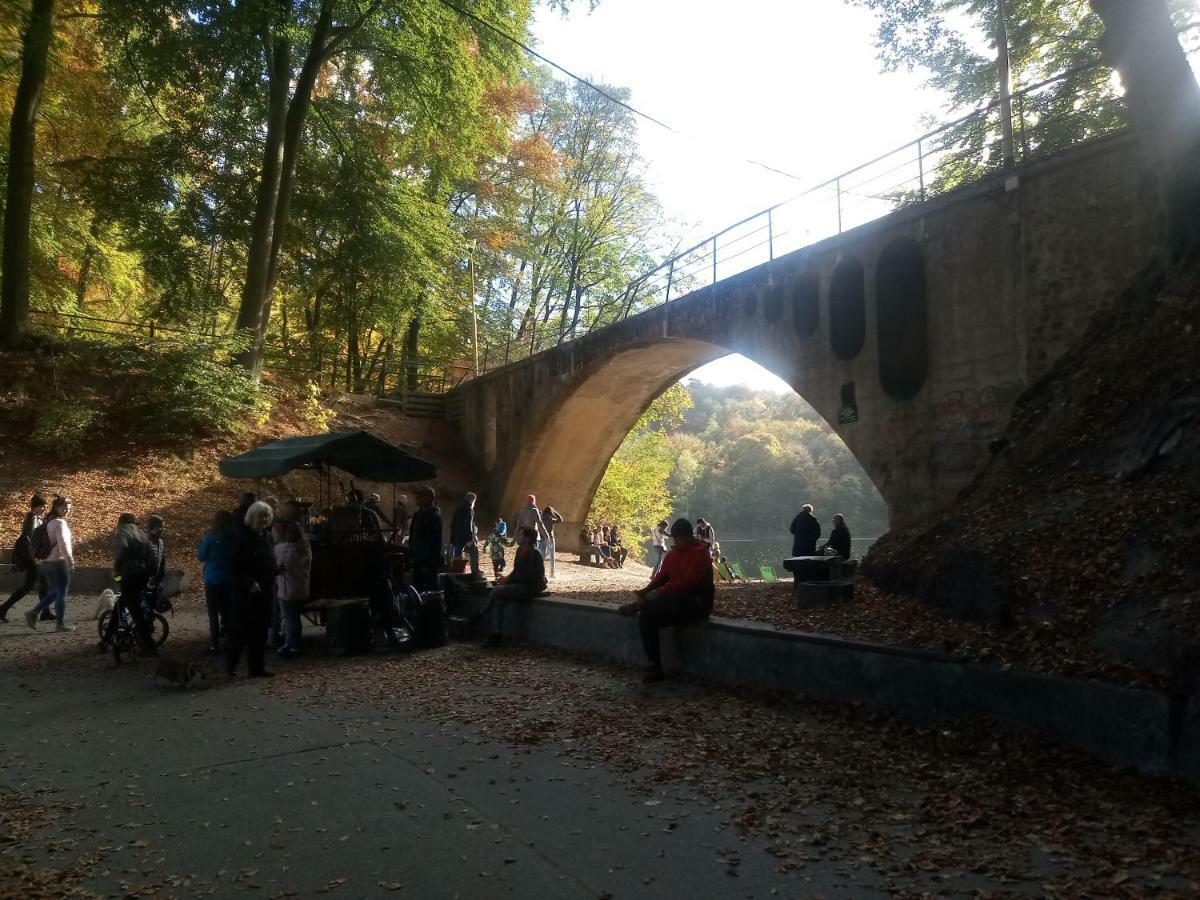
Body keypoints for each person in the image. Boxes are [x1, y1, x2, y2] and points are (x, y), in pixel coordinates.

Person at [619, 518, 714, 684]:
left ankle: (638, 606)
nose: (676, 542)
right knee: (647, 617)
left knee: (668, 599)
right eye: (675, 540)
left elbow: (689, 583)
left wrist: (658, 593)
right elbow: (662, 577)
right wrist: (646, 591)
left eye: (678, 539)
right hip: (676, 602)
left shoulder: (701, 553)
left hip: (697, 604)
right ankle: (655, 666)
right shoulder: (674, 553)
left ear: (688, 537)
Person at [227, 501, 278, 679]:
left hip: (265, 592)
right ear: (252, 517)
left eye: (266, 516)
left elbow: (268, 561)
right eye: (260, 516)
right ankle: (231, 666)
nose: (263, 519)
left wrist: (277, 569)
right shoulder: (242, 538)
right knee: (240, 632)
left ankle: (257, 667)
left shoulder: (267, 537)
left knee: (261, 631)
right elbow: (234, 565)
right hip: (246, 594)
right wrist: (248, 582)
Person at [479, 526, 546, 648]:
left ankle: (480, 615)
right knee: (498, 601)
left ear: (528, 538)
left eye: (520, 535)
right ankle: (496, 636)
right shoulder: (520, 550)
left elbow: (531, 576)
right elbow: (516, 571)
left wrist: (509, 581)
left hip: (530, 588)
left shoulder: (534, 553)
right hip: (519, 585)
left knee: (496, 591)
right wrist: (505, 579)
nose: (517, 537)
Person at [101, 512, 156, 653]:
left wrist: (116, 570)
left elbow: (121, 553)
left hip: (129, 577)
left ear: (120, 525)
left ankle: (149, 645)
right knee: (119, 607)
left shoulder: (122, 535)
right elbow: (152, 555)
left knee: (134, 610)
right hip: (142, 577)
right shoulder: (143, 536)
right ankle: (105, 640)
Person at [25, 496, 74, 632]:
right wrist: (70, 561)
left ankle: (33, 613)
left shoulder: (48, 521)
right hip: (58, 562)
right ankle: (60, 624)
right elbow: (63, 544)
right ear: (56, 508)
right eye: (64, 507)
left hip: (46, 562)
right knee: (62, 593)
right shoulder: (59, 523)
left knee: (54, 591)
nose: (66, 510)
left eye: (69, 508)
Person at [1, 494, 46, 623]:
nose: (44, 509)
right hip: (32, 559)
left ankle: (45, 611)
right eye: (42, 506)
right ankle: (3, 608)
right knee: (28, 587)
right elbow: (29, 539)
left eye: (45, 506)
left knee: (42, 583)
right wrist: (35, 557)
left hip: (35, 557)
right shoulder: (32, 518)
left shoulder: (37, 518)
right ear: (36, 507)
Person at [197, 510, 236, 654]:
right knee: (228, 612)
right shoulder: (234, 538)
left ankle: (215, 644)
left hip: (212, 579)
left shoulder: (210, 537)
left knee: (213, 614)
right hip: (230, 579)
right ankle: (231, 641)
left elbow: (201, 556)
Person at [274, 520, 311, 658]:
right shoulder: (305, 548)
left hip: (287, 589)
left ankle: (292, 645)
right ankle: (291, 643)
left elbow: (277, 566)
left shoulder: (280, 550)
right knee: (294, 618)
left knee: (289, 618)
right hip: (301, 587)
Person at [408, 486, 443, 591]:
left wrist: (428, 562)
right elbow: (414, 536)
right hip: (418, 559)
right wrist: (411, 554)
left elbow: (433, 541)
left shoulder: (433, 516)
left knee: (431, 589)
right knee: (418, 588)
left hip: (428, 561)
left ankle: (434, 607)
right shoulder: (418, 515)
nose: (417, 499)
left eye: (420, 496)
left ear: (428, 498)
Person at [449, 492, 481, 578]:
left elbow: (452, 524)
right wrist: (470, 538)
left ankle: (456, 573)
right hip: (464, 538)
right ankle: (475, 572)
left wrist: (452, 539)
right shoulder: (469, 509)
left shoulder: (458, 508)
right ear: (473, 500)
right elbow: (468, 524)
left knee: (457, 557)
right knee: (474, 551)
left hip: (456, 537)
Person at [141, 514, 167, 617]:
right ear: (152, 527)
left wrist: (159, 578)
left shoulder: (160, 542)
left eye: (162, 527)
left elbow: (162, 561)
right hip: (145, 580)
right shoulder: (145, 540)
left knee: (151, 607)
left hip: (155, 581)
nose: (161, 529)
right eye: (159, 527)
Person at [514, 495, 550, 560]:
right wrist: (546, 536)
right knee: (533, 557)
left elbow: (518, 526)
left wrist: (514, 538)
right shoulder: (534, 510)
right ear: (534, 501)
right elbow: (540, 524)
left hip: (523, 538)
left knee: (523, 557)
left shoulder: (522, 511)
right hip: (533, 538)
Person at [541, 504, 563, 578]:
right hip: (550, 539)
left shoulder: (542, 519)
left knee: (542, 556)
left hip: (542, 538)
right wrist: (555, 512)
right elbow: (560, 519)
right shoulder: (551, 519)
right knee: (552, 556)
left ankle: (541, 573)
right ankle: (552, 573)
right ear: (551, 512)